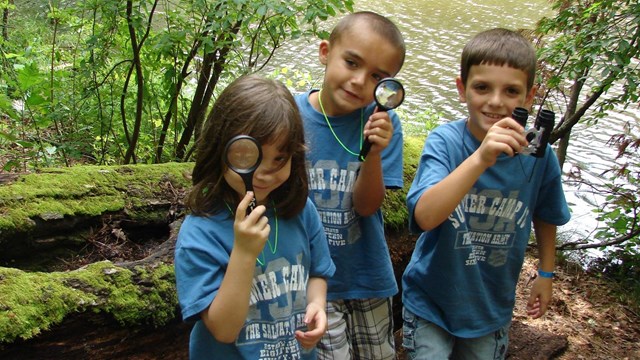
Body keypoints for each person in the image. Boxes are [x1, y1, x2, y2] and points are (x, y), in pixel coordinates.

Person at [401, 28, 571, 359]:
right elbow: (424, 216)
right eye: (482, 87)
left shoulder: (539, 157)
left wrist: (546, 274)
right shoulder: (445, 143)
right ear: (462, 89)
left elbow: (547, 213)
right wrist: (481, 158)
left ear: (529, 96)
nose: (495, 101)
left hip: (490, 306)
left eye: (511, 91)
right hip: (431, 300)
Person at [174, 74, 336, 360]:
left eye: (279, 159)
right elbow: (223, 330)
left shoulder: (301, 210)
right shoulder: (200, 233)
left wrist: (317, 305)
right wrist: (244, 253)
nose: (263, 173)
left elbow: (318, 272)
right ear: (219, 148)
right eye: (249, 157)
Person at [294, 11, 406, 360]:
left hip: (366, 276)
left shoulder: (384, 124)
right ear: (326, 52)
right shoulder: (288, 115)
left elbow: (368, 206)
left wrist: (373, 151)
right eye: (351, 62)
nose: (359, 81)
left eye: (377, 76)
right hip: (309, 281)